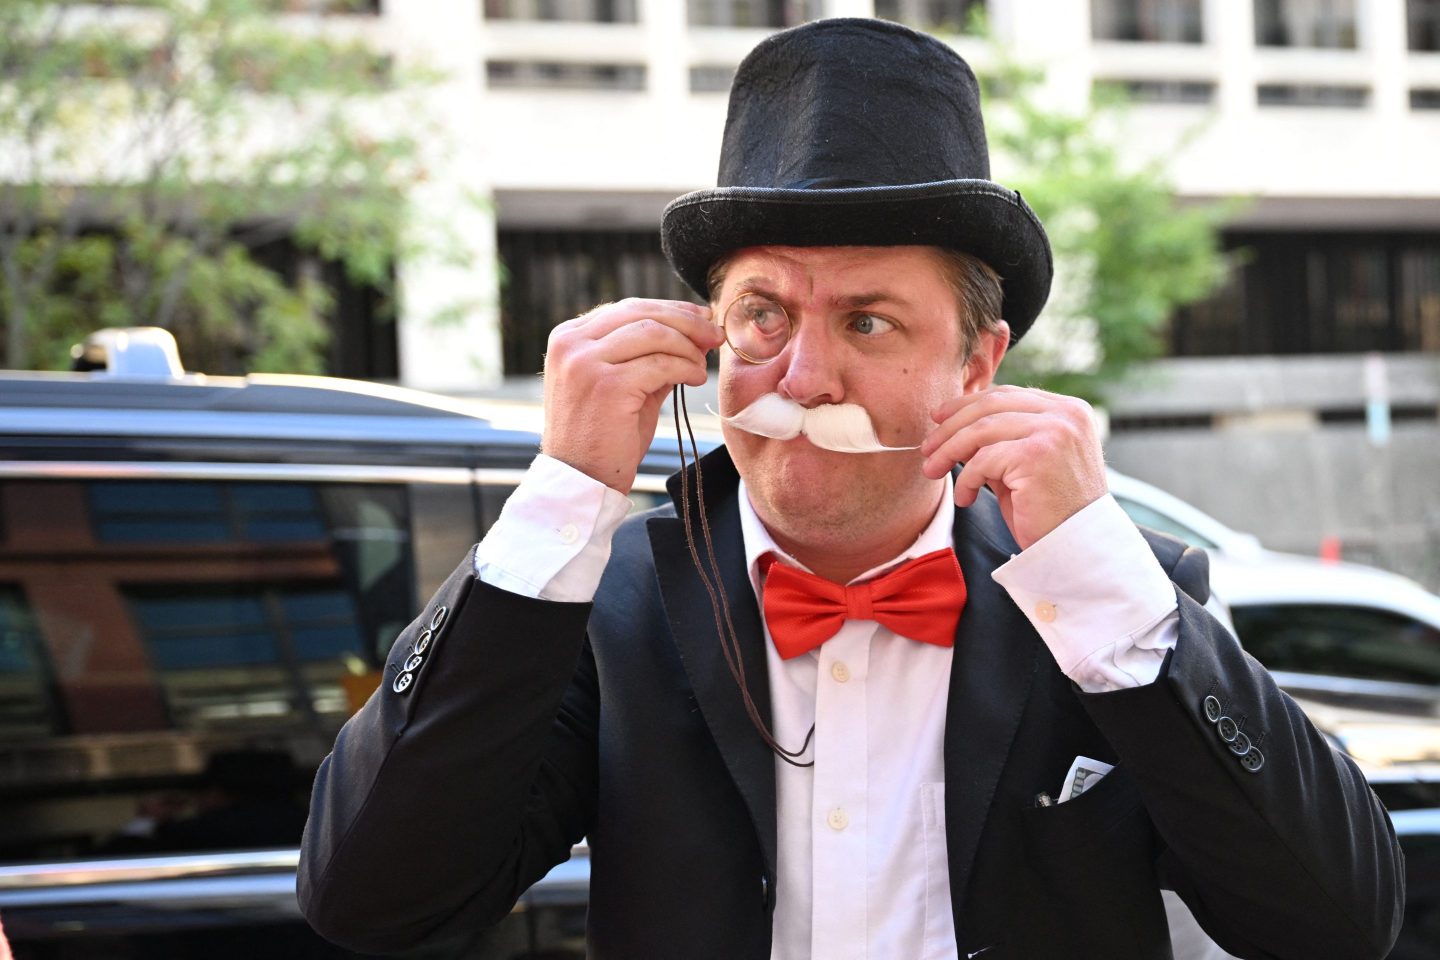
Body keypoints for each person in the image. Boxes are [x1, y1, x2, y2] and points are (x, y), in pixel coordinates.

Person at [299, 18, 1404, 960]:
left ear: (977, 362)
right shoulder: (607, 604)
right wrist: (559, 498)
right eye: (763, 315)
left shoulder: (1109, 601)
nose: (804, 377)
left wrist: (1102, 575)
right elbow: (372, 903)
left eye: (868, 321)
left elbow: (1336, 922)